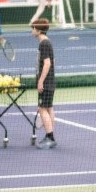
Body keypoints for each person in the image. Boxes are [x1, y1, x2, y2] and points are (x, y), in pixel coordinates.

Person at [32, 18, 57, 149]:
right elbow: (54, 61)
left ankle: (50, 137)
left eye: (33, 28)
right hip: (50, 82)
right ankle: (51, 135)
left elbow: (47, 63)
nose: (32, 31)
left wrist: (41, 81)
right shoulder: (47, 42)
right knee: (49, 108)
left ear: (38, 30)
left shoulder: (44, 44)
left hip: (46, 84)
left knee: (42, 109)